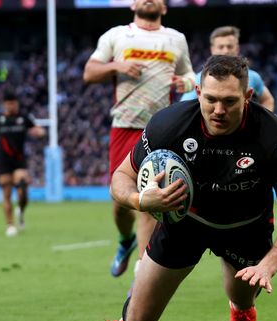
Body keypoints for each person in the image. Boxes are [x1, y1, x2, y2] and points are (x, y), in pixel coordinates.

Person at [98, 55, 277, 321]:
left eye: (229, 101)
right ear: (198, 92)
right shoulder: (168, 125)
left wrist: (269, 265)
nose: (219, 110)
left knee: (240, 294)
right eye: (211, 99)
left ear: (248, 97)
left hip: (246, 228)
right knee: (141, 318)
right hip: (184, 223)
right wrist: (140, 201)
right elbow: (121, 177)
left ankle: (241, 307)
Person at [83, 0, 196, 278]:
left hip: (162, 128)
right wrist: (117, 67)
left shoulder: (175, 39)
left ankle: (141, 275)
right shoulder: (117, 35)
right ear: (133, 3)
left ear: (165, 7)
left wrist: (187, 83)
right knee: (121, 203)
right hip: (125, 125)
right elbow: (89, 72)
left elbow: (191, 75)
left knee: (149, 201)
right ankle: (125, 241)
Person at [0, 91, 46, 237]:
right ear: (4, 105)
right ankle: (10, 225)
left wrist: (40, 132)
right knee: (6, 193)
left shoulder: (24, 117)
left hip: (19, 160)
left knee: (22, 187)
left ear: (17, 103)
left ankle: (21, 209)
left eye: (13, 103)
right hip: (3, 160)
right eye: (8, 103)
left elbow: (38, 130)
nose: (11, 106)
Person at [180, 26, 275, 112]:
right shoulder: (200, 79)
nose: (225, 51)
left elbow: (268, 100)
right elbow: (183, 109)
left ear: (237, 49)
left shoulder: (252, 76)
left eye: (230, 46)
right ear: (212, 50)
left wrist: (263, 123)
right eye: (221, 47)